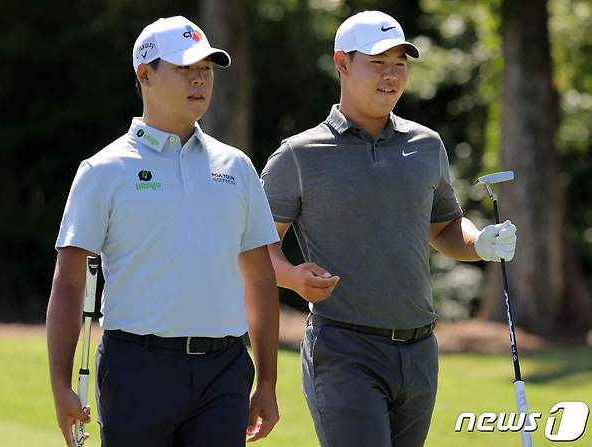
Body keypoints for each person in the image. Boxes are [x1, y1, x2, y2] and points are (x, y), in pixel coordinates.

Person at [261, 10, 517, 447]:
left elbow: (445, 227)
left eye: (400, 63)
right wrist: (291, 277)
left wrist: (482, 244)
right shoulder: (299, 155)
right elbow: (254, 247)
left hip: (419, 351)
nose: (391, 75)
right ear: (342, 63)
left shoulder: (426, 144)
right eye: (377, 62)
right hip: (343, 349)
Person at [46, 16, 280, 447]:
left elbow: (261, 278)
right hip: (137, 368)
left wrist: (267, 380)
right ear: (144, 74)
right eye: (185, 68)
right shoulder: (103, 170)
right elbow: (68, 282)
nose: (199, 80)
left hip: (225, 370)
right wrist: (60, 382)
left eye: (206, 69)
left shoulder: (237, 167)